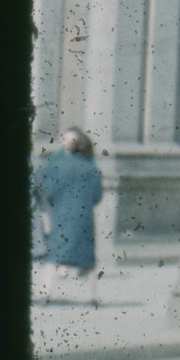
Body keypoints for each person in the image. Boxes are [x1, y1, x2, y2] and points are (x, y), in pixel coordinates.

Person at [34, 129, 103, 301]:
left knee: (54, 255)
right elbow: (97, 195)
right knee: (87, 258)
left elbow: (49, 191)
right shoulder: (91, 167)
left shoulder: (57, 165)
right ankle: (91, 296)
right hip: (84, 217)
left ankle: (45, 292)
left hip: (61, 215)